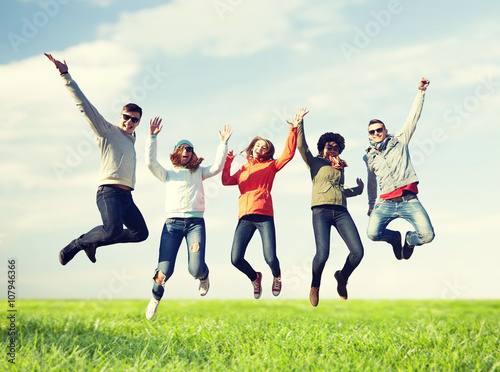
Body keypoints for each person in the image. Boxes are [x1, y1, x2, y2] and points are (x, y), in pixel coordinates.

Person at [45, 53, 149, 266]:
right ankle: (78, 244)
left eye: (134, 120)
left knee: (140, 234)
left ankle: (94, 243)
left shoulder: (132, 140)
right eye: (126, 117)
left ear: (138, 123)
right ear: (121, 116)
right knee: (113, 230)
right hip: (108, 192)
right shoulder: (107, 130)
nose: (129, 122)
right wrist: (65, 75)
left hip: (126, 197)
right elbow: (84, 105)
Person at [145, 117, 232, 320]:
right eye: (182, 149)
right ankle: (155, 297)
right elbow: (150, 163)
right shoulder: (167, 174)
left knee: (195, 268)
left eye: (189, 150)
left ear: (193, 154)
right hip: (172, 225)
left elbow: (218, 167)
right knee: (164, 271)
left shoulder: (199, 172)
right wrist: (152, 137)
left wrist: (223, 143)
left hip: (195, 225)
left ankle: (204, 276)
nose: (186, 152)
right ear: (177, 152)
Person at [221, 110, 300, 299]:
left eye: (264, 147)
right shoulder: (243, 169)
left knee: (270, 257)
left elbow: (288, 154)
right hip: (245, 218)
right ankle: (254, 277)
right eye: (258, 145)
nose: (260, 148)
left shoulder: (271, 166)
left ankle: (277, 276)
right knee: (235, 259)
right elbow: (225, 181)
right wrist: (229, 160)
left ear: (268, 151)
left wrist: (293, 129)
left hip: (264, 215)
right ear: (252, 147)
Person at [296, 109, 365, 306]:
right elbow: (301, 146)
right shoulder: (315, 162)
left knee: (358, 252)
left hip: (341, 211)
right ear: (322, 147)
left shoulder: (340, 166)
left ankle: (342, 277)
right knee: (323, 253)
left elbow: (339, 189)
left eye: (336, 147)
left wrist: (358, 190)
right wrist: (300, 123)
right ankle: (315, 286)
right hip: (320, 211)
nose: (333, 149)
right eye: (329, 146)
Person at [364, 77, 435, 261]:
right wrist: (371, 205)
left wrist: (421, 92)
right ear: (369, 135)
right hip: (385, 203)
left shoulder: (400, 141)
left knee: (427, 236)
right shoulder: (369, 157)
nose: (376, 133)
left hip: (408, 200)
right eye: (372, 131)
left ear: (385, 131)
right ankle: (395, 238)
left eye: (379, 129)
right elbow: (372, 182)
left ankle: (409, 240)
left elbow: (413, 117)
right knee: (372, 234)